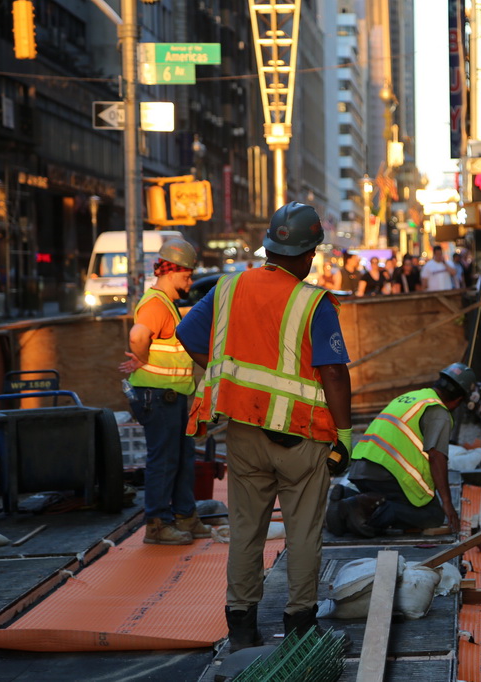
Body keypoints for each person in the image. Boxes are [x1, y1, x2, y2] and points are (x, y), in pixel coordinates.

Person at [177, 202, 353, 652]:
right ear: (306, 252)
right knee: (303, 533)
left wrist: (227, 377)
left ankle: (241, 627)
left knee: (246, 530)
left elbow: (188, 336)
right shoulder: (312, 301)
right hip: (301, 437)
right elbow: (333, 373)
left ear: (270, 247)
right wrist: (345, 434)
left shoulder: (228, 288)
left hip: (243, 434)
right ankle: (299, 625)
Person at [118, 238, 209, 546]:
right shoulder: (156, 304)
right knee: (164, 460)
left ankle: (185, 516)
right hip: (158, 397)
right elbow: (137, 335)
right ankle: (157, 524)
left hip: (170, 396)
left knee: (182, 458)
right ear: (172, 272)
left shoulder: (166, 303)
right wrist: (141, 358)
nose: (190, 281)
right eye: (187, 275)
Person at [328, 363, 476, 538]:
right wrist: (447, 502)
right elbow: (437, 457)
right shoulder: (438, 411)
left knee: (395, 501)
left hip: (361, 467)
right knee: (432, 515)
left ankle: (348, 498)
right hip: (387, 471)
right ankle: (361, 512)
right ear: (458, 400)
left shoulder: (413, 397)